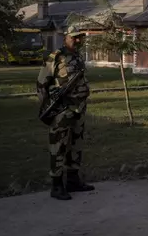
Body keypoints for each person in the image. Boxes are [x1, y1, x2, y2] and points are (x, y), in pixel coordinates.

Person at [36, 25, 94, 201]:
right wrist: (49, 107)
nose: (77, 40)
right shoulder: (56, 57)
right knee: (58, 147)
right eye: (74, 37)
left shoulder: (77, 56)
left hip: (78, 109)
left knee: (76, 145)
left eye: (80, 37)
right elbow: (41, 85)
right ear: (65, 37)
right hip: (62, 110)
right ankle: (57, 185)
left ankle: (73, 181)